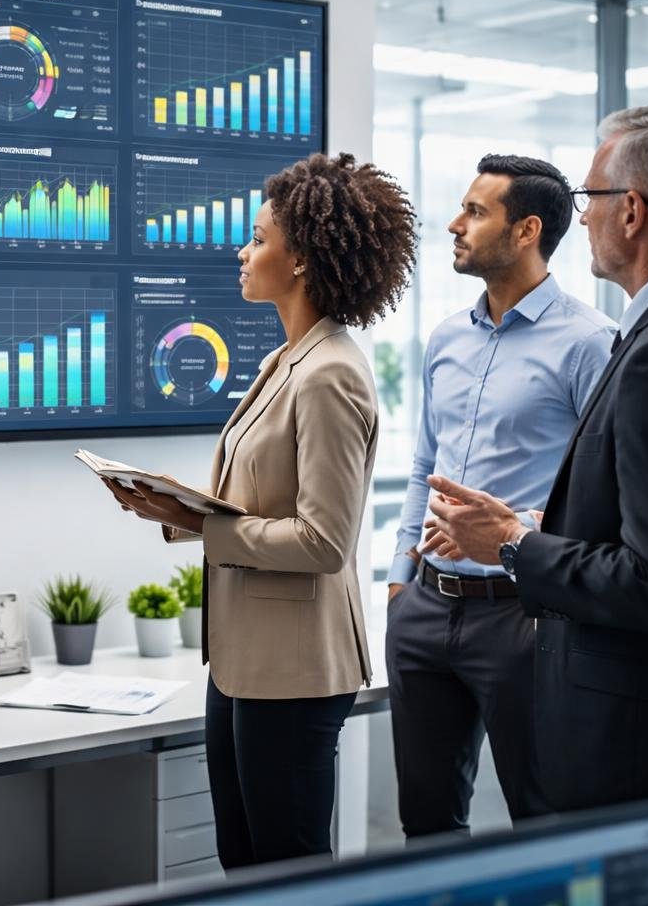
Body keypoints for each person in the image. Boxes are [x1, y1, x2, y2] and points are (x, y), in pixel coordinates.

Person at [425, 105, 648, 896]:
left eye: (589, 195)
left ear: (632, 209)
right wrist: (555, 527)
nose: (578, 216)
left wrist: (514, 547)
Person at [104, 152, 417, 868]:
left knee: (288, 868)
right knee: (244, 864)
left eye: (257, 239)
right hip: (244, 663)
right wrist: (176, 507)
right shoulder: (290, 359)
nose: (241, 252)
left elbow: (324, 541)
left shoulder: (331, 372)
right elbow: (265, 500)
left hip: (296, 670)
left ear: (301, 258)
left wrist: (204, 526)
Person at [386, 155, 614, 839]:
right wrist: (401, 578)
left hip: (524, 619)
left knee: (544, 819)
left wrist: (523, 537)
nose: (455, 225)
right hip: (425, 610)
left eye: (476, 211)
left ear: (527, 230)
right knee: (425, 823)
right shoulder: (446, 337)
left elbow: (604, 494)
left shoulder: (591, 343)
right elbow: (424, 461)